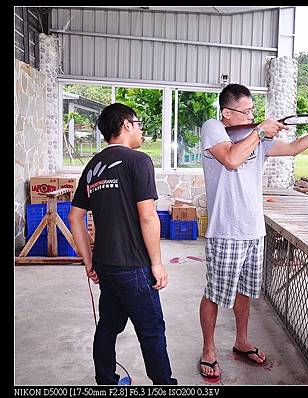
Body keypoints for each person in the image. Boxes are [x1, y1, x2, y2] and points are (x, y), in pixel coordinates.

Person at [198, 83, 308, 378]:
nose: (251, 115)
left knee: (245, 291)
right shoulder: (213, 127)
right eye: (246, 111)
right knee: (215, 293)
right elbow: (230, 160)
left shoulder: (254, 138)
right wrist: (259, 132)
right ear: (226, 113)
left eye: (253, 110)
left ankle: (241, 341)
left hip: (254, 230)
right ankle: (208, 349)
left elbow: (292, 148)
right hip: (226, 229)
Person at [69, 103, 177, 385]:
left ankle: (106, 380)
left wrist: (89, 261)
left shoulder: (92, 167)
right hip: (134, 266)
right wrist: (157, 263)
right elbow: (147, 215)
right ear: (127, 125)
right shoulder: (137, 161)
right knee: (152, 330)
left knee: (108, 327)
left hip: (105, 265)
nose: (141, 129)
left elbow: (75, 217)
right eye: (138, 123)